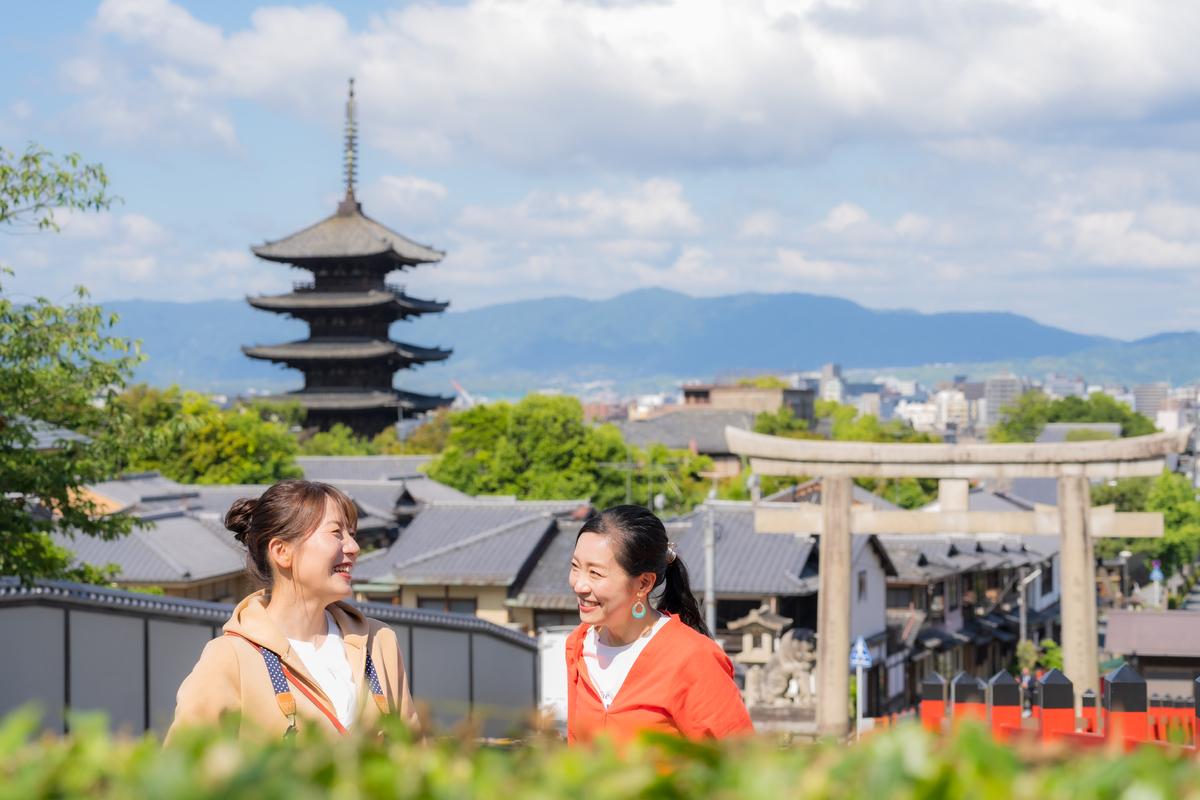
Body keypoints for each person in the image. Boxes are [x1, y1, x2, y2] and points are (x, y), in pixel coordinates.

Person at [165, 479, 418, 743]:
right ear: (282, 551)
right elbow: (184, 761)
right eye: (336, 533)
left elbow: (413, 751)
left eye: (352, 534)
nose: (354, 548)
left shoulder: (379, 641)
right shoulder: (231, 658)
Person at [565, 505, 754, 743]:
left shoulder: (694, 657)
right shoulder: (578, 644)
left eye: (595, 573)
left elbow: (737, 757)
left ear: (643, 583)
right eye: (575, 566)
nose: (579, 585)